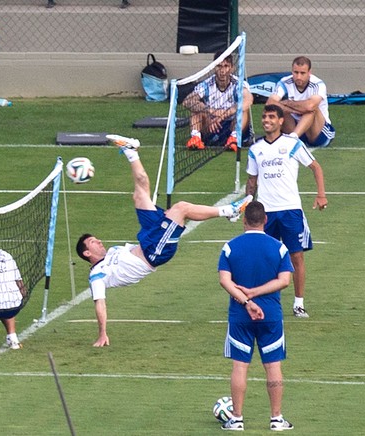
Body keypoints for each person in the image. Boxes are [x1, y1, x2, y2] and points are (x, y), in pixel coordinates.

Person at [76, 134, 253, 347]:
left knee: (140, 194)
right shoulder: (97, 275)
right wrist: (102, 333)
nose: (99, 242)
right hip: (154, 253)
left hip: (148, 239)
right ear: (87, 253)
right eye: (93, 243)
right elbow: (100, 303)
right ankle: (229, 211)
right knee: (181, 208)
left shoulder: (112, 250)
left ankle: (131, 151)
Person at [217, 200, 295, 432]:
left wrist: (246, 300)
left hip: (240, 315)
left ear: (244, 221)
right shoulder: (279, 248)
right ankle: (276, 419)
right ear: (265, 220)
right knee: (272, 366)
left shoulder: (230, 247)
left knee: (240, 366)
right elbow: (284, 281)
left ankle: (237, 419)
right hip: (270, 315)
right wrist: (257, 293)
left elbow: (224, 280)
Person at [245, 105, 327, 318]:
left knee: (296, 256)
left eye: (271, 117)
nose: (266, 120)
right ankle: (265, 301)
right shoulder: (255, 149)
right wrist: (247, 204)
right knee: (266, 257)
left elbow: (315, 167)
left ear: (281, 121)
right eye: (264, 117)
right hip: (266, 212)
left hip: (290, 210)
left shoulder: (292, 144)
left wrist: (321, 195)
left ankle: (298, 304)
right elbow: (252, 181)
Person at [182, 50, 254, 152]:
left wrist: (223, 114)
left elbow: (248, 99)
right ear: (214, 67)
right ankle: (196, 139)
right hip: (212, 125)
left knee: (243, 111)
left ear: (232, 68)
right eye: (219, 66)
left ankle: (233, 139)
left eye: (226, 66)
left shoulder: (238, 84)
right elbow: (187, 101)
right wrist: (210, 110)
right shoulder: (206, 84)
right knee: (196, 109)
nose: (222, 71)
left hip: (232, 124)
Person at [266, 56, 335, 148]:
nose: (298, 76)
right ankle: (292, 138)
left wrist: (288, 103)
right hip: (296, 127)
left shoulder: (317, 84)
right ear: (292, 71)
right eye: (296, 72)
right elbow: (270, 103)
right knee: (277, 109)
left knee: (312, 109)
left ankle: (293, 138)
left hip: (319, 132)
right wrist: (292, 109)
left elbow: (310, 106)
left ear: (309, 72)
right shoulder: (285, 82)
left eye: (302, 73)